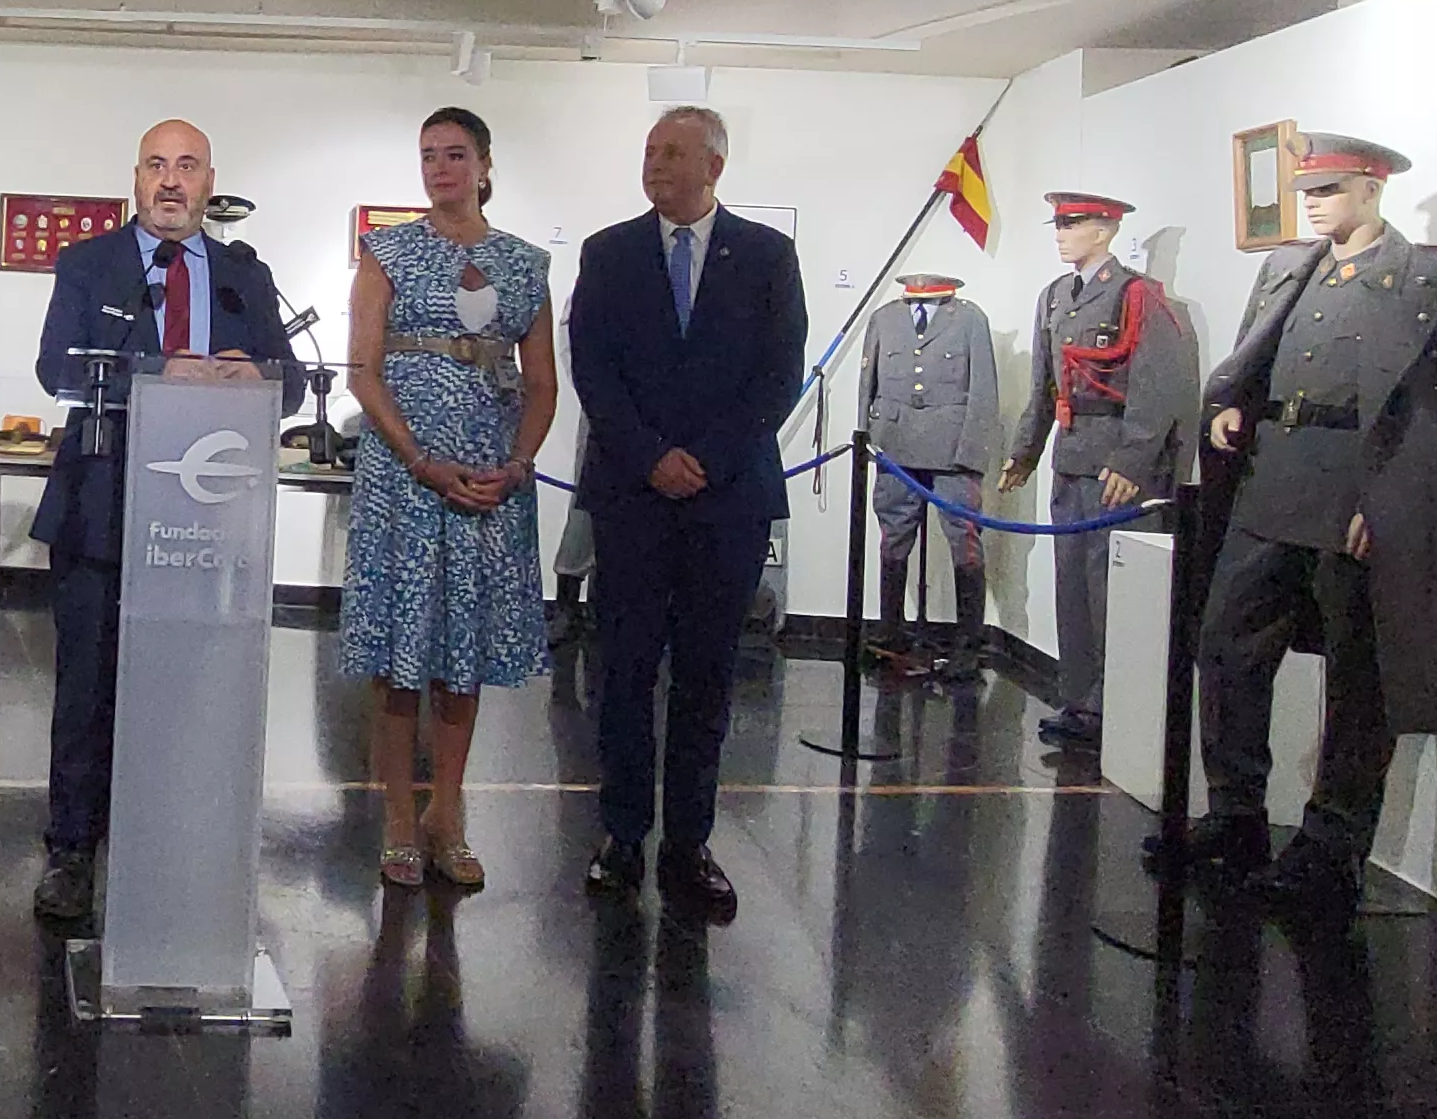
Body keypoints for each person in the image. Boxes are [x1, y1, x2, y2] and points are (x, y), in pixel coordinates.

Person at [1183, 133, 1437, 925]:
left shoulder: (1434, 280)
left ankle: (1330, 846)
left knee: (1360, 679)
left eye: (1330, 189)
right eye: (1308, 191)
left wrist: (1409, 506)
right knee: (1228, 645)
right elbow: (1256, 360)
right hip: (1274, 477)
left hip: (1357, 490)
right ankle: (1235, 812)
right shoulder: (1288, 269)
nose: (1312, 202)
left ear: (1373, 190)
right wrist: (1233, 405)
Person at [26, 118, 288, 929]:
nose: (171, 182)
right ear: (134, 180)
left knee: (193, 694)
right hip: (102, 504)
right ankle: (72, 851)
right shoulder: (88, 263)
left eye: (187, 168)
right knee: (87, 690)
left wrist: (257, 372)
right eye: (155, 167)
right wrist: (157, 370)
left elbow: (296, 382)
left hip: (204, 521)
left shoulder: (245, 275)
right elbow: (55, 366)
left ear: (210, 182)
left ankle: (178, 844)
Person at [566, 105, 805, 923]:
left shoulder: (768, 256)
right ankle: (623, 837)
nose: (654, 165)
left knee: (707, 679)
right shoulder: (609, 253)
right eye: (648, 152)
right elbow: (592, 368)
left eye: (672, 153)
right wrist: (650, 457)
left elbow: (779, 376)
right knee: (625, 672)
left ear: (715, 166)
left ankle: (688, 844)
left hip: (726, 501)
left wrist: (706, 458)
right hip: (633, 498)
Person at [340, 107, 553, 891]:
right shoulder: (386, 252)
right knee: (402, 655)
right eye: (428, 156)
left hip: (490, 488)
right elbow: (362, 371)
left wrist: (519, 462)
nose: (440, 169)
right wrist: (422, 460)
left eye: (456, 155)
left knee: (461, 658)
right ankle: (398, 815)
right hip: (407, 482)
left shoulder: (526, 264)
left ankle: (448, 812)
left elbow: (541, 384)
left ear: (486, 165)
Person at [995, 192, 1196, 752]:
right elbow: (1045, 384)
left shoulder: (1137, 297)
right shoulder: (1056, 297)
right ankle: (1080, 698)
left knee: (1112, 588)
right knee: (1073, 586)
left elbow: (1159, 386)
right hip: (1072, 454)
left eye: (1072, 223)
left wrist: (1133, 460)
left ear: (1105, 230)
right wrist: (1026, 450)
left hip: (1115, 464)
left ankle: (1117, 705)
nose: (1060, 233)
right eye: (1058, 223)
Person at [858, 271, 999, 678]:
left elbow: (983, 389)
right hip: (896, 443)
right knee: (894, 535)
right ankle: (890, 632)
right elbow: (869, 381)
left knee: (964, 541)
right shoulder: (885, 318)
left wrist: (971, 452)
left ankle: (967, 644)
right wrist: (868, 441)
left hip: (952, 448)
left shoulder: (970, 319)